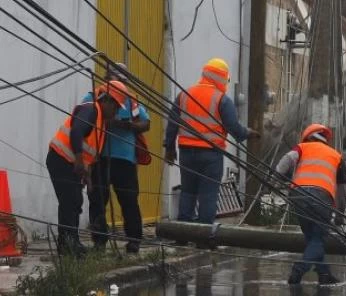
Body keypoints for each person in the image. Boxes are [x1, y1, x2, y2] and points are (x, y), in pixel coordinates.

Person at [164, 58, 258, 224]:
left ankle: (182, 234)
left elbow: (172, 124)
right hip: (210, 155)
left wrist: (169, 149)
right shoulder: (222, 99)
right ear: (222, 78)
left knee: (188, 192)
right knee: (208, 196)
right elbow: (234, 128)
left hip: (186, 153)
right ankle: (204, 237)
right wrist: (248, 133)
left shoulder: (184, 95)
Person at [47, 79, 125, 257]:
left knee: (75, 202)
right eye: (116, 107)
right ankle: (68, 246)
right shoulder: (90, 110)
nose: (117, 112)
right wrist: (80, 161)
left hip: (71, 163)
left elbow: (91, 154)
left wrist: (88, 177)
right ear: (106, 101)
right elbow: (76, 132)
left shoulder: (101, 123)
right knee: (70, 202)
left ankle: (70, 243)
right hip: (60, 159)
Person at [83, 64, 150, 254]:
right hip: (99, 157)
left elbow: (145, 123)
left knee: (129, 200)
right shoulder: (94, 97)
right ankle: (99, 241)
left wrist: (126, 125)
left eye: (122, 82)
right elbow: (83, 117)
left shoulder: (131, 101)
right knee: (97, 199)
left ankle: (134, 240)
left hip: (124, 158)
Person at [274, 123, 346, 286]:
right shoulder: (336, 156)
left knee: (312, 239)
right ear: (326, 140)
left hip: (298, 196)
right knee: (318, 239)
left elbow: (285, 162)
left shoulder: (302, 148)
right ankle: (299, 270)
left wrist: (278, 176)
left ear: (308, 137)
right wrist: (340, 215)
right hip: (322, 198)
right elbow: (342, 192)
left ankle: (324, 274)